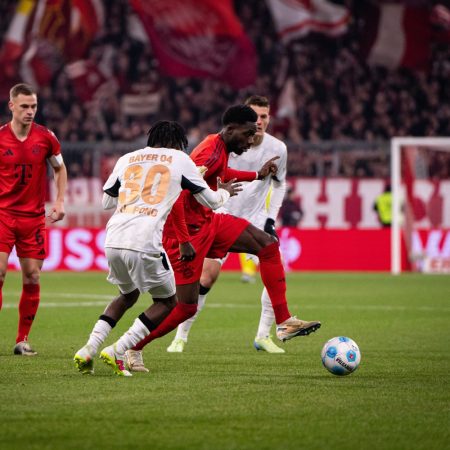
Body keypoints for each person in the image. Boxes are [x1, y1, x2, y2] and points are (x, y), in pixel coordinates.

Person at [124, 104, 321, 373]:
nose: (251, 141)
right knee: (185, 307)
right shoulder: (208, 152)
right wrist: (184, 240)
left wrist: (256, 175)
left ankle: (284, 322)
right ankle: (132, 347)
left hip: (210, 221)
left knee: (267, 245)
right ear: (230, 129)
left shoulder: (220, 147)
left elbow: (220, 175)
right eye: (248, 134)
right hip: (187, 234)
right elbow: (179, 194)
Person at [73, 121, 241, 376]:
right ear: (177, 143)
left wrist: (137, 193)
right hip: (144, 239)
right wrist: (225, 192)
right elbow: (212, 202)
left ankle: (88, 349)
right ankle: (118, 349)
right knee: (168, 301)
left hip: (114, 237)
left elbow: (107, 201)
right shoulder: (180, 159)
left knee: (127, 295)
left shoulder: (127, 158)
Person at [166, 95, 290, 355]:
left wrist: (270, 218)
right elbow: (194, 182)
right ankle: (180, 336)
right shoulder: (224, 145)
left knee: (274, 259)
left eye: (264, 117)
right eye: (255, 117)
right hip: (220, 209)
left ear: (269, 118)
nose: (259, 122)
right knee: (206, 278)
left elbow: (279, 186)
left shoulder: (278, 148)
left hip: (256, 216)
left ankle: (265, 334)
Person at [0, 83, 67, 356]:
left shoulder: (46, 137)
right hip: (3, 215)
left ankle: (22, 340)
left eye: (34, 106)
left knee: (32, 276)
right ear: (12, 106)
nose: (30, 111)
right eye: (25, 106)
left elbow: (60, 169)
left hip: (33, 219)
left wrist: (60, 201)